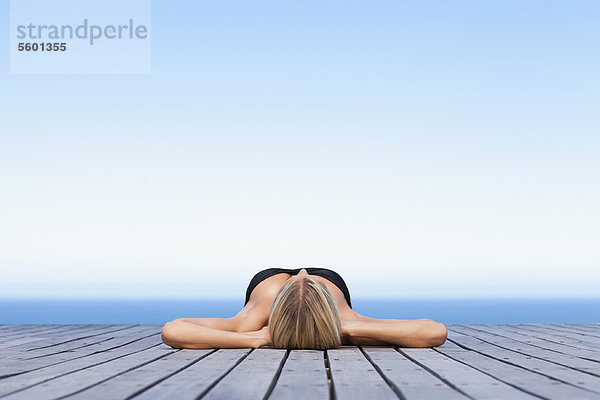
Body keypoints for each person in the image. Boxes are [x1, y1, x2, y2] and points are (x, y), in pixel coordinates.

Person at [161, 267, 447, 350]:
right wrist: (253, 337)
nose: (301, 272)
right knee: (261, 306)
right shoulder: (255, 319)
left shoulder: (343, 318)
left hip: (326, 284)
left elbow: (435, 331)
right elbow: (173, 330)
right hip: (270, 284)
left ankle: (316, 293)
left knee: (318, 292)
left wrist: (346, 327)